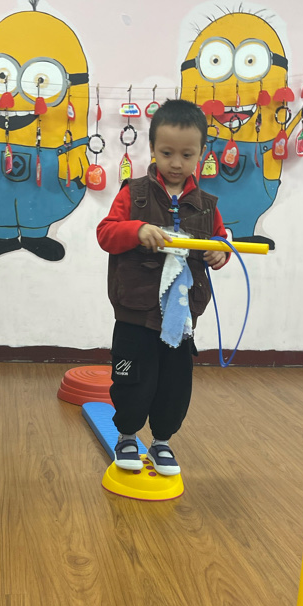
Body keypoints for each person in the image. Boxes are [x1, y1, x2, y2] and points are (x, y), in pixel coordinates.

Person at [96, 98, 229, 477]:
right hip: (135, 314)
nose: (176, 163)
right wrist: (136, 230)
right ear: (153, 148)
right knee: (132, 379)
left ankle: (162, 442)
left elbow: (221, 241)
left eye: (187, 155)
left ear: (201, 153)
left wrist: (220, 253)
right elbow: (106, 233)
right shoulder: (133, 193)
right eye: (167, 153)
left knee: (174, 384)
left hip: (180, 318)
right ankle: (126, 436)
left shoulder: (206, 205)